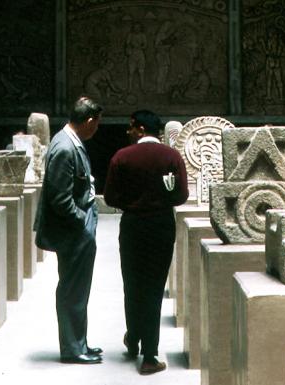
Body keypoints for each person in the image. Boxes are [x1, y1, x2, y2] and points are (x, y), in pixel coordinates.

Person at [103, 110, 189, 375]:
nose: (128, 132)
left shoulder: (122, 157)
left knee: (133, 282)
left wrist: (131, 203)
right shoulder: (172, 157)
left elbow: (110, 197)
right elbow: (181, 195)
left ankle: (135, 337)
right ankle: (150, 353)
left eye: (131, 127)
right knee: (153, 286)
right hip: (162, 225)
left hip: (133, 225)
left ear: (140, 129)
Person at [34, 97, 103, 364]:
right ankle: (73, 348)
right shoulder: (64, 147)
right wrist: (81, 223)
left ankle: (79, 343)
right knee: (73, 290)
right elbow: (60, 199)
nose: (96, 130)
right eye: (96, 125)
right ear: (88, 121)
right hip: (73, 231)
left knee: (78, 290)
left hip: (77, 229)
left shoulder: (70, 142)